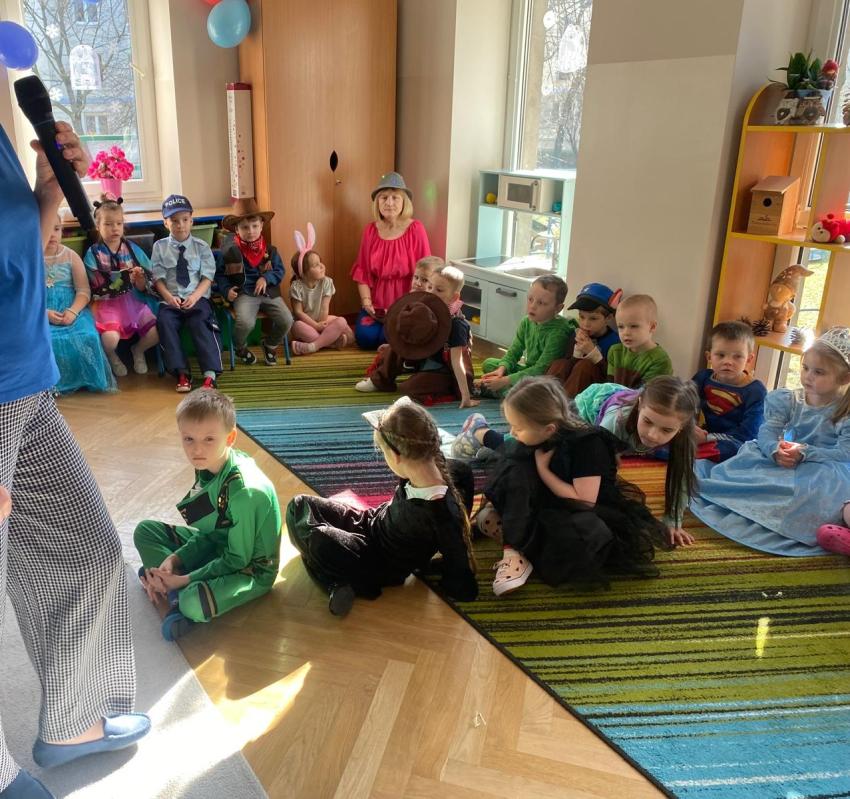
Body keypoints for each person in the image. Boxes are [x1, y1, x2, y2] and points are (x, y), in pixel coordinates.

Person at [0, 119, 148, 799]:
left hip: (26, 379)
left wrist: (48, 191)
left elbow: (19, 252)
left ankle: (72, 721)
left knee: (90, 546)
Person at [473, 377, 668, 595]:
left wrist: (544, 471)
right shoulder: (538, 435)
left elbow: (584, 501)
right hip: (552, 499)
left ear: (549, 429)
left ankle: (518, 549)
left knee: (583, 534)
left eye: (517, 427)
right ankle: (512, 541)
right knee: (513, 465)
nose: (512, 432)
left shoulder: (588, 444)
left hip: (582, 507)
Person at [286, 397, 478, 617]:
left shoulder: (439, 513)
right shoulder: (445, 467)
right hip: (371, 521)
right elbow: (463, 491)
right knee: (298, 505)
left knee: (319, 540)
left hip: (377, 560)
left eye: (383, 452)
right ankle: (334, 576)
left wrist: (452, 574)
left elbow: (460, 571)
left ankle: (335, 581)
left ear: (395, 456)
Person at [134, 389, 282, 641]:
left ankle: (172, 591)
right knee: (145, 530)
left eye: (209, 439)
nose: (197, 450)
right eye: (188, 439)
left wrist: (183, 579)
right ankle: (169, 584)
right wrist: (175, 559)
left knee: (193, 602)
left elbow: (237, 560)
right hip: (220, 544)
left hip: (250, 569)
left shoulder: (245, 492)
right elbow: (209, 532)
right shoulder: (209, 465)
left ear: (230, 437)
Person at [691, 327, 850, 556]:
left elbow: (844, 452)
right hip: (787, 457)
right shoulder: (789, 399)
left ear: (844, 378)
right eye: (805, 368)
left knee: (814, 489)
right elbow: (767, 432)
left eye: (819, 372)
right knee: (750, 464)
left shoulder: (844, 411)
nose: (808, 376)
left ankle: (808, 526)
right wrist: (774, 449)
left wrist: (806, 452)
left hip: (824, 466)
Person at [356, 267, 478, 407]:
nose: (431, 293)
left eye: (439, 290)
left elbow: (458, 362)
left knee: (409, 389)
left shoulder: (457, 324)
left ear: (454, 297)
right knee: (395, 347)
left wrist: (465, 395)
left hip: (445, 370)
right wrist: (392, 347)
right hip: (424, 357)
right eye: (430, 287)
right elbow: (412, 336)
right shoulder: (426, 309)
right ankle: (381, 380)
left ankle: (442, 387)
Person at [351, 172, 431, 349]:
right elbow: (362, 273)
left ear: (404, 202)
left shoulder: (416, 229)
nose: (389, 203)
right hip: (376, 304)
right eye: (384, 197)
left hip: (407, 302)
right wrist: (366, 303)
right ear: (377, 202)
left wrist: (412, 305)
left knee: (388, 337)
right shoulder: (370, 231)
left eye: (395, 197)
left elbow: (427, 273)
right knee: (365, 338)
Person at [151, 194, 222, 392]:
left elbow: (207, 277)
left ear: (192, 220)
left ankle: (210, 374)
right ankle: (181, 373)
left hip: (196, 298)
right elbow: (158, 279)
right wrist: (168, 297)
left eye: (184, 219)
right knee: (165, 322)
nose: (180, 225)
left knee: (201, 321)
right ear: (166, 223)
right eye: (174, 220)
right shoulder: (159, 247)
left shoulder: (201, 247)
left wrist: (195, 297)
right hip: (170, 299)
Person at [84, 197, 159, 378]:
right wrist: (118, 278)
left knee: (156, 332)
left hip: (134, 300)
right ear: (98, 226)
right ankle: (112, 356)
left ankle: (138, 350)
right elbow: (93, 283)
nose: (115, 228)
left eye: (119, 223)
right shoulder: (93, 253)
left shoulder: (132, 249)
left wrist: (139, 279)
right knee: (110, 339)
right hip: (106, 304)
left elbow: (147, 281)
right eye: (108, 224)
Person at [43, 215, 115, 394]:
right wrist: (44, 313)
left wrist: (73, 312)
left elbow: (83, 291)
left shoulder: (70, 256)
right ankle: (51, 385)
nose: (52, 234)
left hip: (73, 308)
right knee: (47, 340)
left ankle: (85, 379)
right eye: (47, 229)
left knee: (88, 336)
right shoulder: (29, 259)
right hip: (40, 310)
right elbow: (26, 296)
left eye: (57, 229)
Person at [217, 198, 293, 366]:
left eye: (254, 226)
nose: (250, 231)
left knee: (287, 320)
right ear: (237, 229)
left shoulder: (270, 251)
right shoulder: (228, 251)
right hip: (244, 293)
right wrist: (226, 289)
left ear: (261, 225)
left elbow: (279, 270)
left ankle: (270, 345)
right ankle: (240, 347)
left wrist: (266, 278)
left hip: (268, 293)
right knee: (245, 322)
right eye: (245, 227)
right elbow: (220, 275)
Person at [476, 275, 575, 398]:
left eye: (541, 303)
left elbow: (541, 370)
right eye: (530, 299)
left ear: (558, 308)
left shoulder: (559, 332)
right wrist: (502, 369)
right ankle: (507, 391)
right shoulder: (526, 322)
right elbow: (514, 351)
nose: (532, 306)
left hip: (544, 378)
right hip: (528, 371)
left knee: (534, 389)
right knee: (489, 364)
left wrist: (504, 381)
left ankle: (506, 393)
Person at [691, 321, 766, 461]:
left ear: (749, 359)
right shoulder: (703, 378)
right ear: (709, 357)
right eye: (720, 355)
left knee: (735, 452)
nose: (728, 362)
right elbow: (683, 404)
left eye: (737, 356)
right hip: (708, 435)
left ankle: (692, 454)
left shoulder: (756, 391)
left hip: (738, 442)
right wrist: (690, 428)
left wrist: (707, 438)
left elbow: (748, 434)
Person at [288, 223, 354, 354]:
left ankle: (312, 346)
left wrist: (322, 325)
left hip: (322, 320)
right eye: (316, 265)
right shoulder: (297, 287)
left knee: (342, 322)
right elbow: (298, 313)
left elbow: (324, 308)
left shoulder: (327, 282)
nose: (322, 266)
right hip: (307, 323)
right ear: (303, 273)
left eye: (320, 262)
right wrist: (316, 326)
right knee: (297, 326)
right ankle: (330, 343)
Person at [547, 282, 621, 396]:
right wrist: (577, 351)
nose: (585, 324)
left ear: (608, 318)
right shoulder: (576, 334)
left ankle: (565, 405)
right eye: (582, 317)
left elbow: (613, 379)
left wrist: (593, 354)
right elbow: (569, 367)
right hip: (573, 384)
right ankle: (544, 397)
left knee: (585, 366)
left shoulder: (615, 343)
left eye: (593, 318)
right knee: (559, 364)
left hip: (596, 391)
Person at [606, 294, 673, 387]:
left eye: (634, 326)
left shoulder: (660, 361)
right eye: (621, 327)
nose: (626, 333)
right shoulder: (615, 352)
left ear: (652, 327)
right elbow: (609, 387)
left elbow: (647, 394)